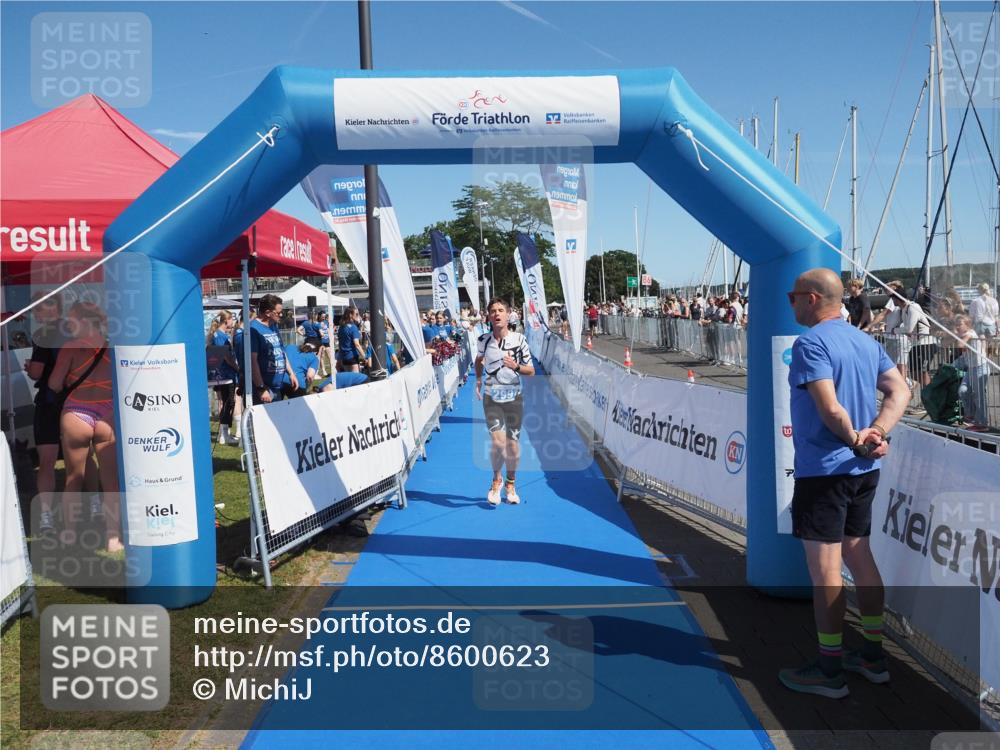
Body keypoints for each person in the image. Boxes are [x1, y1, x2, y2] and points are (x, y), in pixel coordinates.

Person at [779, 268, 909, 699]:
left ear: (812, 298)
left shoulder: (811, 343)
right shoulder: (864, 340)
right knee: (860, 555)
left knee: (827, 572)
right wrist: (877, 433)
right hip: (862, 471)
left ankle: (829, 669)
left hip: (826, 471)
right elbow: (900, 391)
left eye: (793, 296)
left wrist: (857, 438)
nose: (790, 302)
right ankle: (873, 656)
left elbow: (830, 408)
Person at [48, 302, 121, 552]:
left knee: (72, 479)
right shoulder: (113, 346)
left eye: (72, 319)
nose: (68, 324)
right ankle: (113, 539)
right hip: (107, 413)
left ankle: (69, 534)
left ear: (83, 320)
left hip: (77, 411)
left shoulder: (70, 347)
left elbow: (55, 384)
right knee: (111, 480)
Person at [474, 298, 535, 507]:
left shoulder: (519, 340)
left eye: (501, 310)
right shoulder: (483, 340)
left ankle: (510, 483)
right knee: (498, 444)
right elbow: (478, 360)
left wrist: (516, 366)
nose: (497, 314)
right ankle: (496, 481)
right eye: (493, 311)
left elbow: (531, 371)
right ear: (488, 316)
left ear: (508, 315)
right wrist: (479, 379)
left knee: (512, 446)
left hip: (514, 400)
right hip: (492, 400)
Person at [23, 294, 67, 534]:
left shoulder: (44, 335)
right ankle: (92, 508)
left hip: (50, 403)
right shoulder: (78, 330)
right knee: (80, 459)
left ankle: (46, 517)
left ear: (51, 309)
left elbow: (37, 373)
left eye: (37, 310)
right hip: (77, 401)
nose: (35, 314)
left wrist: (32, 368)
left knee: (47, 461)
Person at [250, 294, 297, 403]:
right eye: (278, 312)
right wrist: (261, 387)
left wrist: (291, 373)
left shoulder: (274, 326)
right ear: (267, 313)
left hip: (277, 386)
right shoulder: (253, 329)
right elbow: (252, 361)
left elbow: (281, 351)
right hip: (263, 389)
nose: (281, 315)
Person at [207, 311, 240, 445]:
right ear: (226, 320)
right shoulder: (220, 336)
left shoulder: (219, 335)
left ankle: (224, 434)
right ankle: (224, 434)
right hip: (225, 375)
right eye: (232, 319)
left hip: (223, 375)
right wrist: (237, 368)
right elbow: (225, 355)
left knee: (227, 402)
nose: (233, 322)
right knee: (228, 402)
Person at [337, 307, 364, 373]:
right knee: (356, 379)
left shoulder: (341, 327)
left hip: (344, 356)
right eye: (356, 314)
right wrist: (364, 356)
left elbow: (340, 343)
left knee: (348, 379)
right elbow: (357, 344)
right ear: (350, 315)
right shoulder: (353, 327)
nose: (358, 315)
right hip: (352, 356)